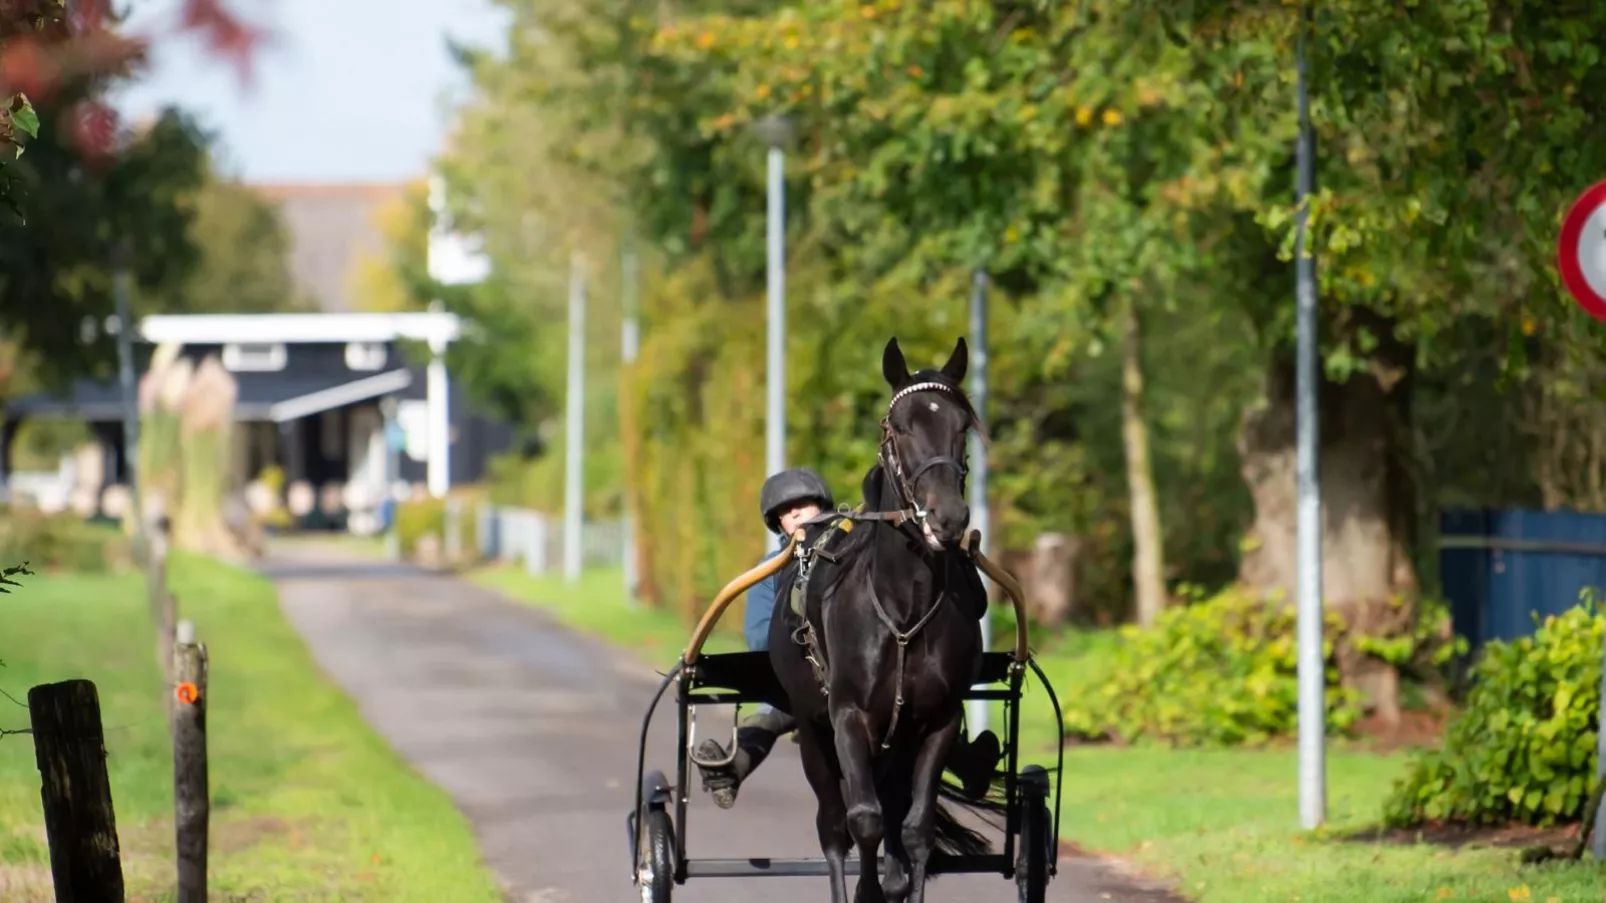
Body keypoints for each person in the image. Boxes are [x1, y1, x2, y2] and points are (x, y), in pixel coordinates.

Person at [693, 467, 1002, 810]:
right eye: (785, 510)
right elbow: (761, 639)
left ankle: (968, 765)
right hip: (803, 678)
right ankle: (733, 767)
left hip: (861, 680)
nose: (795, 512)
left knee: (918, 701)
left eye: (803, 503)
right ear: (777, 523)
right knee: (774, 710)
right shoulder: (770, 570)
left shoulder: (856, 555)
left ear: (822, 505)